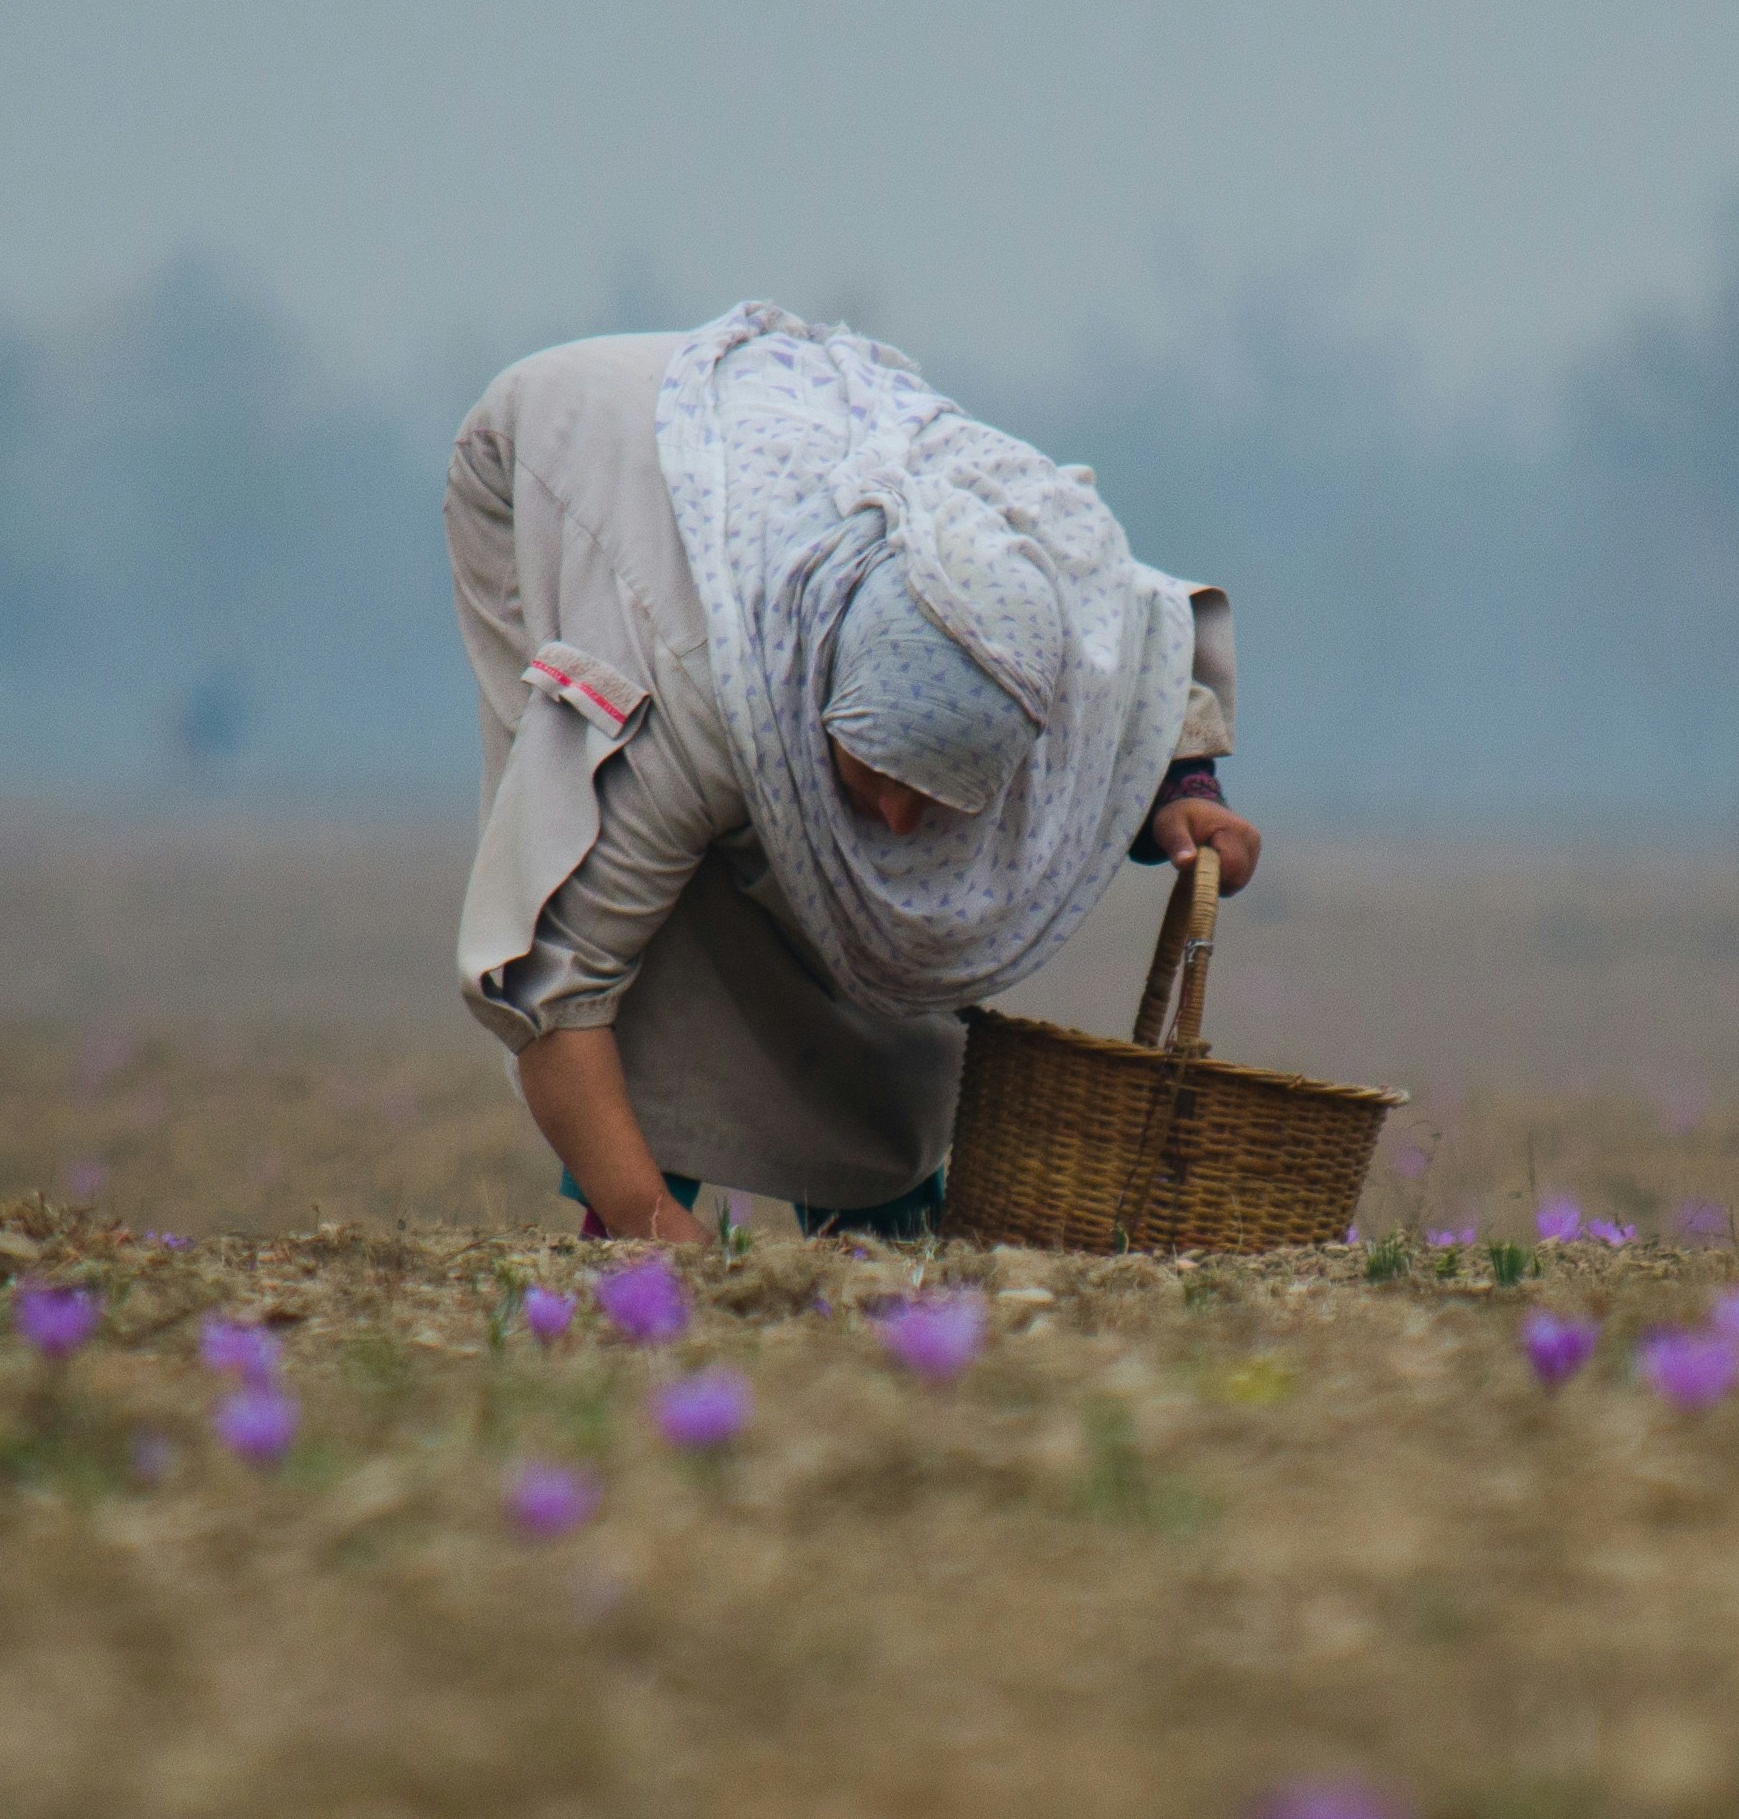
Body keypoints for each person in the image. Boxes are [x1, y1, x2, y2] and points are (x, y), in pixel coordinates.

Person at [448, 305, 1257, 1245]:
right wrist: (648, 1221)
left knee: (860, 902)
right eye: (880, 771)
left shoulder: (1021, 599)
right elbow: (555, 980)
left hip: (775, 425)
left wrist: (1184, 793)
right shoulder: (691, 692)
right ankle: (630, 1207)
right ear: (827, 701)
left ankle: (875, 1212)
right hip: (566, 463)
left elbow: (1140, 649)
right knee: (667, 915)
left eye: (939, 793)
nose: (903, 820)